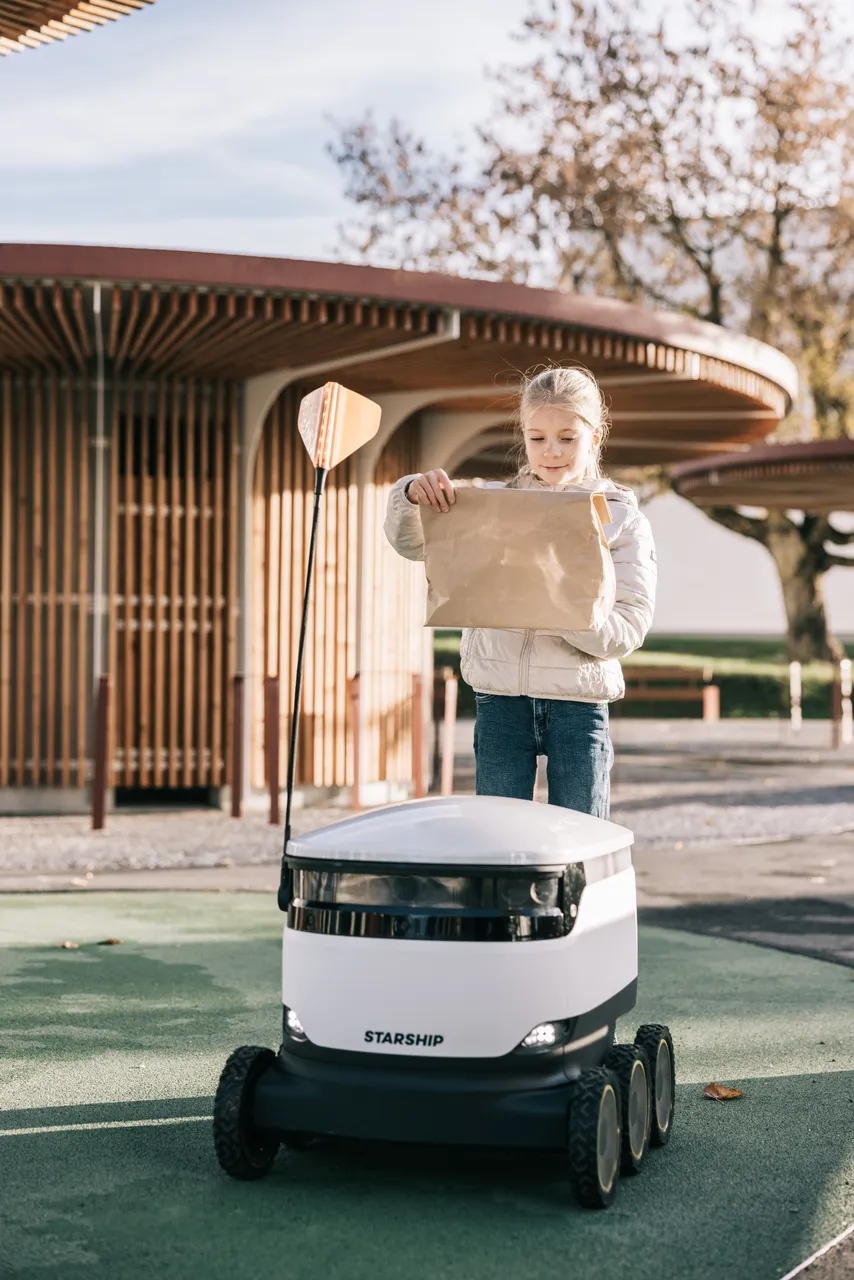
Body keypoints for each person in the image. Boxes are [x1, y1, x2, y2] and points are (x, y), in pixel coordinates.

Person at [383, 366, 657, 819]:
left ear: (595, 435)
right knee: (499, 841)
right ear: (524, 436)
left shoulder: (621, 518)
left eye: (567, 438)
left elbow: (629, 624)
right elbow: (413, 544)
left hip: (579, 707)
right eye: (537, 437)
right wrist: (411, 494)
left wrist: (558, 610)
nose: (551, 452)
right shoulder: (493, 504)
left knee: (579, 841)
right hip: (499, 703)